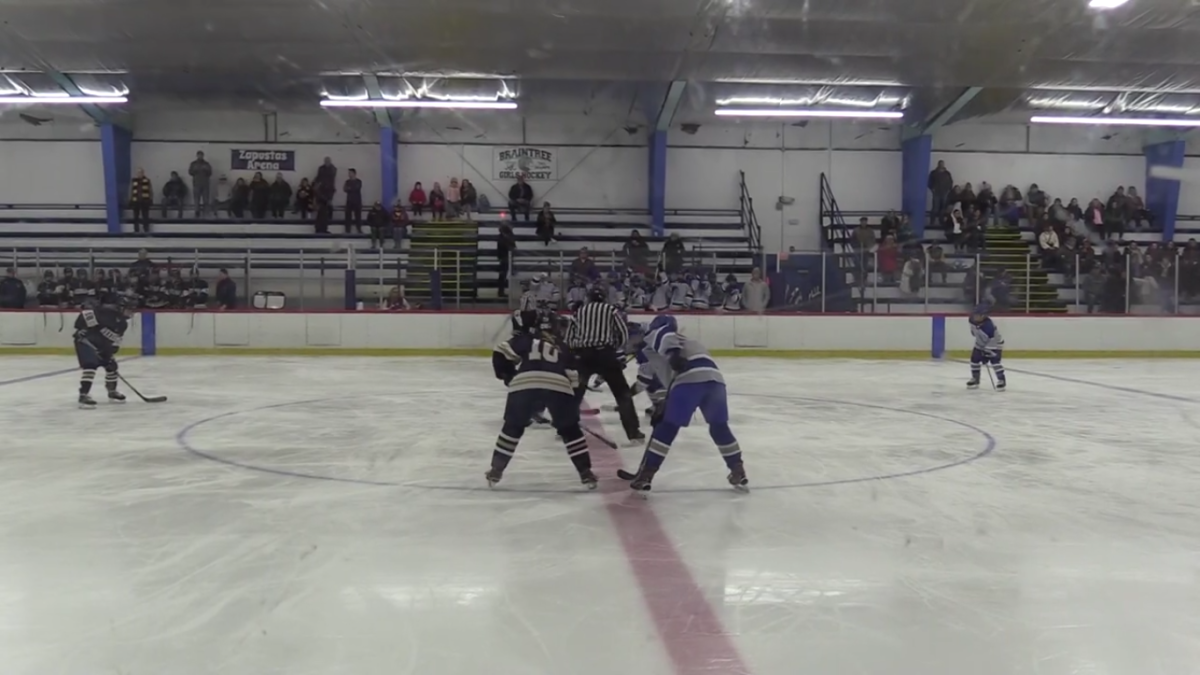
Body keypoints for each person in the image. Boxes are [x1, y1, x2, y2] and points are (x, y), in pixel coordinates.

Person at [623, 315, 747, 493]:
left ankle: (646, 475)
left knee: (666, 428)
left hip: (689, 381)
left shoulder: (656, 336)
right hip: (715, 382)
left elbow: (664, 336)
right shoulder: (688, 342)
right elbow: (658, 376)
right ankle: (738, 470)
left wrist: (672, 353)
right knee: (719, 427)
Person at [487, 310, 597, 489]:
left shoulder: (525, 340)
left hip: (525, 383)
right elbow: (574, 377)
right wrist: (568, 410)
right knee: (571, 432)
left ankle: (496, 470)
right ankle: (586, 473)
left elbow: (501, 351)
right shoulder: (562, 346)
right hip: (558, 385)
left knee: (512, 428)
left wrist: (508, 375)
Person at [565, 287, 643, 443]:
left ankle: (565, 427)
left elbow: (569, 337)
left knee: (575, 394)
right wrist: (614, 346)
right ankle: (633, 433)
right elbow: (623, 333)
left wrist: (578, 348)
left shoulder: (579, 311)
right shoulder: (610, 310)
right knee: (622, 395)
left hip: (584, 356)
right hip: (606, 355)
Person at [73, 296, 136, 408]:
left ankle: (112, 391)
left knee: (112, 366)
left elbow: (115, 343)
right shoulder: (105, 312)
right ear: (121, 308)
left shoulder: (122, 324)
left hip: (101, 345)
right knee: (90, 365)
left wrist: (109, 353)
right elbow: (85, 314)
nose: (131, 312)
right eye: (129, 309)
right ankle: (84, 394)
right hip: (85, 342)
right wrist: (85, 327)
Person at [967, 306, 1006, 391]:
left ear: (983, 316)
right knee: (974, 360)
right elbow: (974, 332)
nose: (975, 317)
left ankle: (1001, 380)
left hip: (995, 344)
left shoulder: (989, 327)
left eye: (978, 315)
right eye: (974, 315)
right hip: (980, 343)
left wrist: (986, 352)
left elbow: (992, 340)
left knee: (995, 362)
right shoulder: (971, 320)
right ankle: (975, 379)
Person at [188, 151, 212, 217]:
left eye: (201, 155)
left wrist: (206, 170)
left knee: (206, 199)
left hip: (205, 184)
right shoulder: (193, 164)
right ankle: (197, 212)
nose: (200, 156)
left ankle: (206, 213)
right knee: (196, 199)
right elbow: (190, 172)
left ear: (203, 156)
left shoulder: (206, 164)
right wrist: (195, 170)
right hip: (196, 184)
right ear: (197, 156)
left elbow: (210, 173)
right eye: (199, 155)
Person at [129, 168, 153, 234]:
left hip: (145, 201)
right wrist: (130, 200)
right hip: (136, 201)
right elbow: (131, 191)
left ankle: (146, 230)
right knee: (135, 217)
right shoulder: (133, 181)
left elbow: (150, 191)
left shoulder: (147, 181)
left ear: (143, 173)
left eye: (141, 172)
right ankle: (136, 230)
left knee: (145, 217)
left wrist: (150, 199)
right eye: (138, 172)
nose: (139, 174)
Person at [344, 168, 363, 233]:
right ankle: (347, 230)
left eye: (350, 173)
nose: (349, 174)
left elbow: (356, 188)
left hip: (357, 201)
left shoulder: (358, 181)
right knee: (348, 216)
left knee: (358, 216)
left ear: (354, 173)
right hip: (349, 201)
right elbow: (345, 189)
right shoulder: (347, 182)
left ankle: (359, 229)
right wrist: (350, 188)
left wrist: (350, 188)